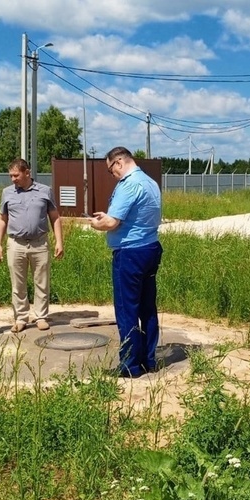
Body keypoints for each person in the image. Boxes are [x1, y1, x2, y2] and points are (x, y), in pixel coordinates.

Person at [90, 147, 163, 378]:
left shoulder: (129, 184)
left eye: (111, 170)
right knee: (147, 308)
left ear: (119, 162)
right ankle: (149, 360)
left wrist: (96, 223)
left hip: (130, 253)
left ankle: (130, 367)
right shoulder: (150, 182)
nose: (112, 175)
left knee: (126, 309)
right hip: (150, 248)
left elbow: (112, 223)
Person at [0, 158, 64, 333]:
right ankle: (21, 318)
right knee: (18, 284)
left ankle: (41, 316)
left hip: (40, 243)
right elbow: (2, 219)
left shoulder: (45, 191)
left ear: (27, 172)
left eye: (16, 175)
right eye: (11, 176)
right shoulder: (7, 193)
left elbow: (55, 217)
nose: (13, 179)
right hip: (15, 244)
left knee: (42, 281)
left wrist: (59, 241)